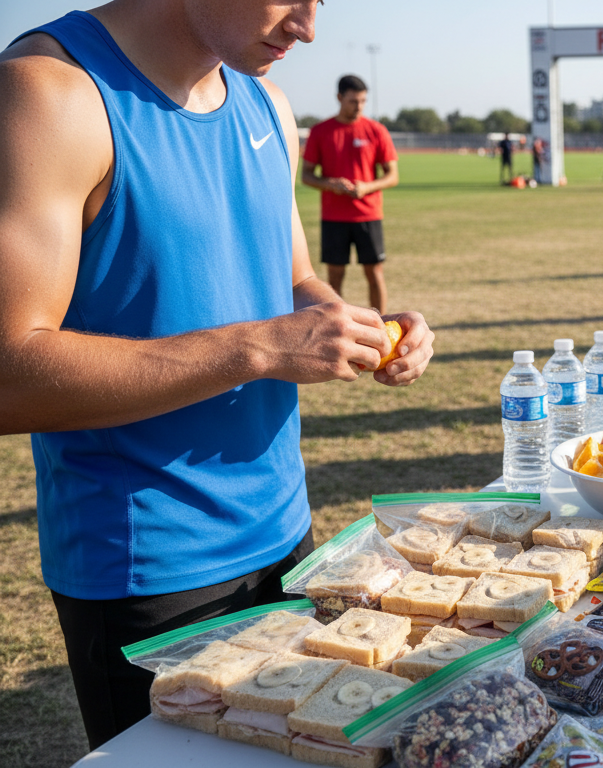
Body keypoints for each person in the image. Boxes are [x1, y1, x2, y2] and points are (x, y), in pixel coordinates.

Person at [0, 0, 434, 749]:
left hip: (289, 539)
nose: (308, 25)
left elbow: (294, 277)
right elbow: (9, 370)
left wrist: (362, 329)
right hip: (151, 573)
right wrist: (256, 349)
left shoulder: (263, 97)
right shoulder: (50, 91)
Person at [302, 74, 399, 315]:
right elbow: (306, 176)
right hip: (334, 217)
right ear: (339, 98)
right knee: (334, 277)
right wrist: (329, 184)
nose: (359, 107)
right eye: (353, 101)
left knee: (374, 272)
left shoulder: (376, 130)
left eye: (363, 101)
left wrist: (367, 187)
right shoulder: (320, 131)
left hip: (368, 214)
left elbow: (392, 175)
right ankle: (338, 329)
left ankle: (381, 326)